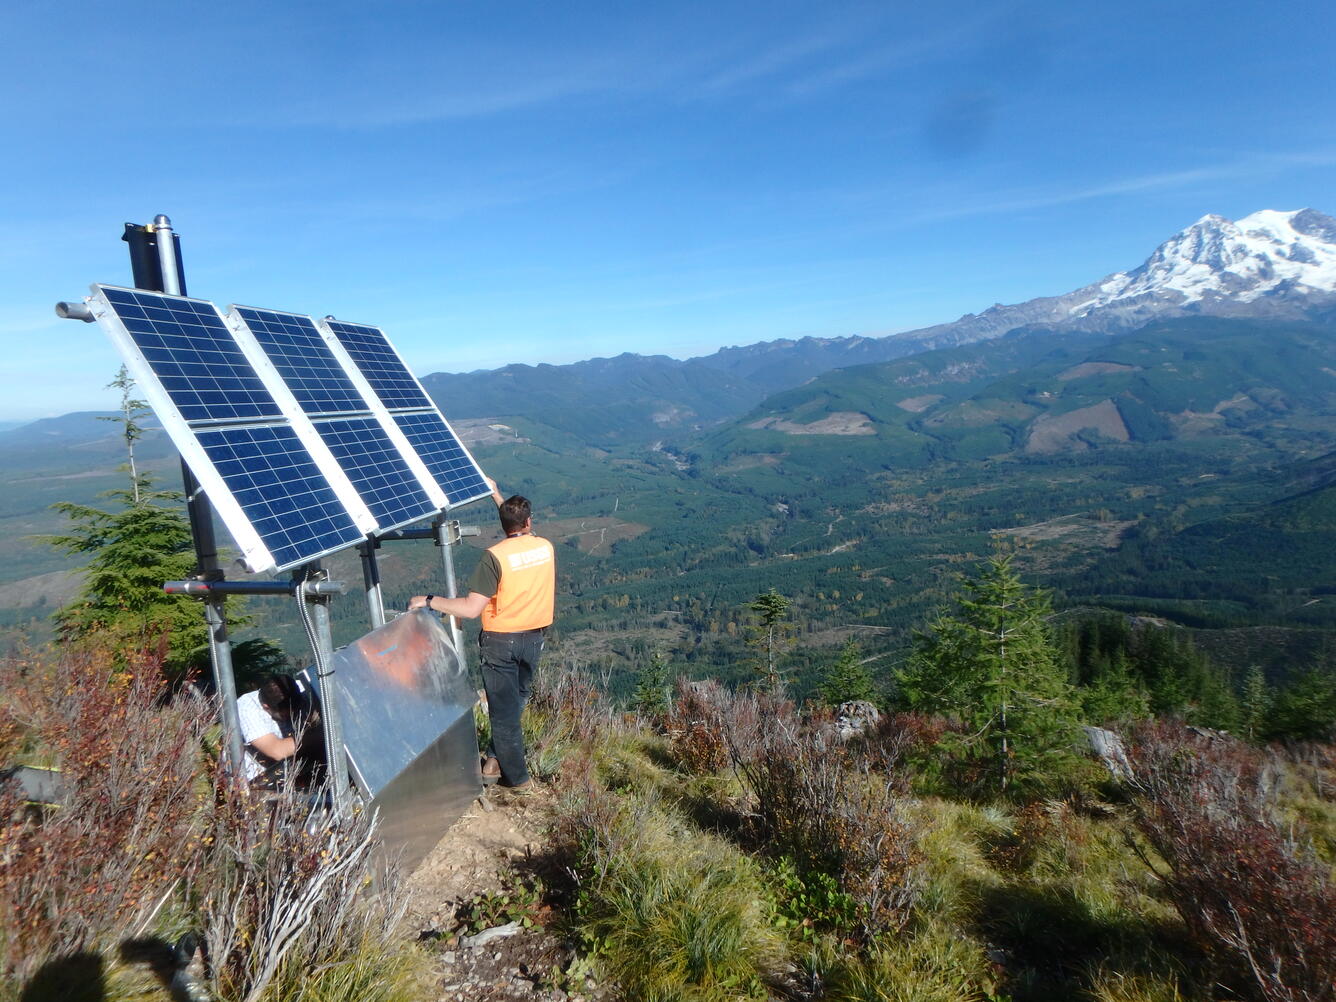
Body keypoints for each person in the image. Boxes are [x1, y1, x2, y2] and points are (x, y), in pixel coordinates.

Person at [409, 477, 555, 793]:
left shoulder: (494, 556)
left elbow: (471, 608)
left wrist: (430, 600)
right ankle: (492, 760)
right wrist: (496, 493)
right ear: (529, 522)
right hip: (534, 639)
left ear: (503, 525)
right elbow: (515, 519)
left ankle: (518, 780)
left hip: (501, 642)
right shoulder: (544, 546)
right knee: (515, 702)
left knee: (503, 716)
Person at [236, 673, 322, 785]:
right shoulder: (246, 708)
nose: (290, 717)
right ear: (266, 706)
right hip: (257, 778)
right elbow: (277, 750)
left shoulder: (300, 691)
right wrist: (324, 733)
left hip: (296, 766)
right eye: (285, 716)